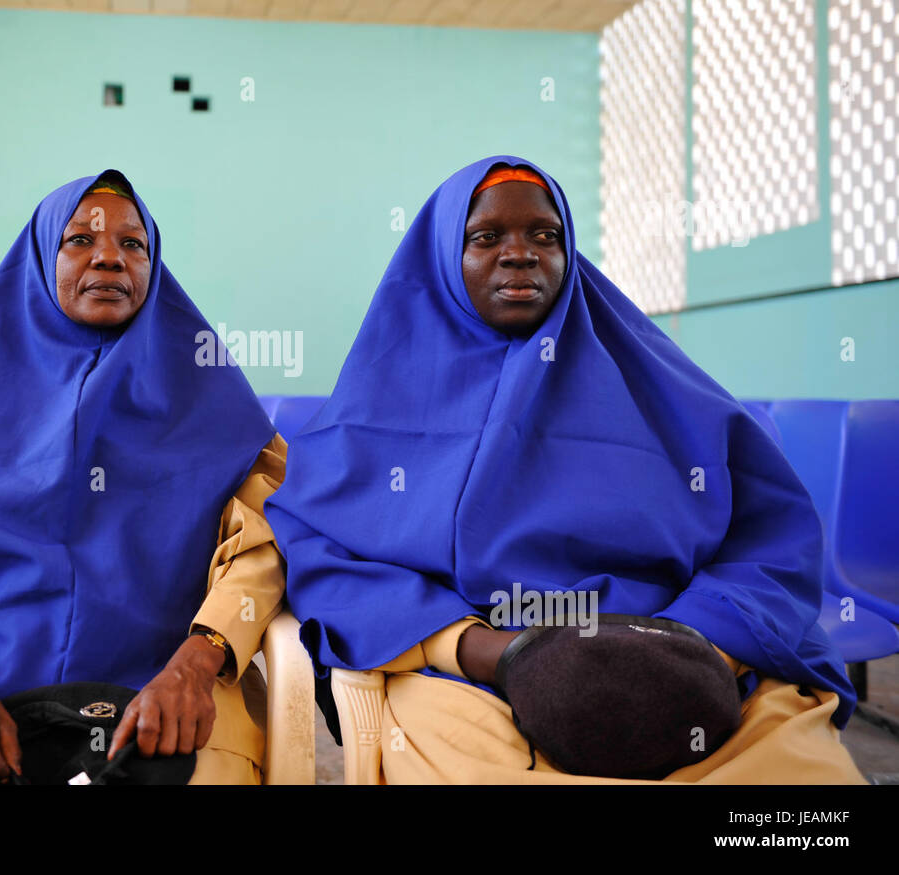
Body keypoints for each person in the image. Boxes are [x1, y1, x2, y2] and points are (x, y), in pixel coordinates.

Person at [265, 156, 866, 785]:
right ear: (443, 258)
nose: (521, 254)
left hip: (691, 666)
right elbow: (321, 553)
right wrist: (488, 652)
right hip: (474, 681)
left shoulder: (667, 392)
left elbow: (770, 543)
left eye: (545, 236)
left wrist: (690, 648)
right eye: (486, 238)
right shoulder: (371, 416)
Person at [0, 170, 284, 785]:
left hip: (166, 683)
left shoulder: (211, 400)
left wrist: (195, 667)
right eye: (80, 241)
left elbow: (257, 550)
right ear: (40, 259)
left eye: (133, 244)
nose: (111, 258)